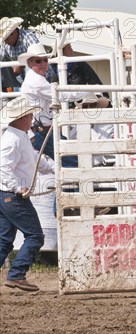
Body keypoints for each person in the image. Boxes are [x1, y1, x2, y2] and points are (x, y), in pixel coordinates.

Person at [1, 96, 55, 292]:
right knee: (35, 236)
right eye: (30, 115)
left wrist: (52, 168)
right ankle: (17, 275)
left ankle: (16, 274)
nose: (32, 118)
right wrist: (18, 188)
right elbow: (3, 167)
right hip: (12, 196)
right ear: (22, 117)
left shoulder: (19, 136)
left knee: (4, 241)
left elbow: (33, 157)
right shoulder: (13, 139)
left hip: (6, 196)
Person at [19, 44, 87, 167]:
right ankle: (74, 185)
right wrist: (88, 91)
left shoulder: (35, 78)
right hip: (42, 132)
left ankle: (71, 185)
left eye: (45, 60)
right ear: (29, 64)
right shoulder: (35, 81)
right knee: (72, 163)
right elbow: (60, 95)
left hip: (43, 131)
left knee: (71, 160)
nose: (43, 63)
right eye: (38, 61)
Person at [1, 17, 39, 91]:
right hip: (21, 81)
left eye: (6, 39)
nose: (5, 42)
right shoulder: (5, 43)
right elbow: (1, 59)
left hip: (38, 79)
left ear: (13, 32)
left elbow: (38, 57)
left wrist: (21, 64)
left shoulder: (28, 36)